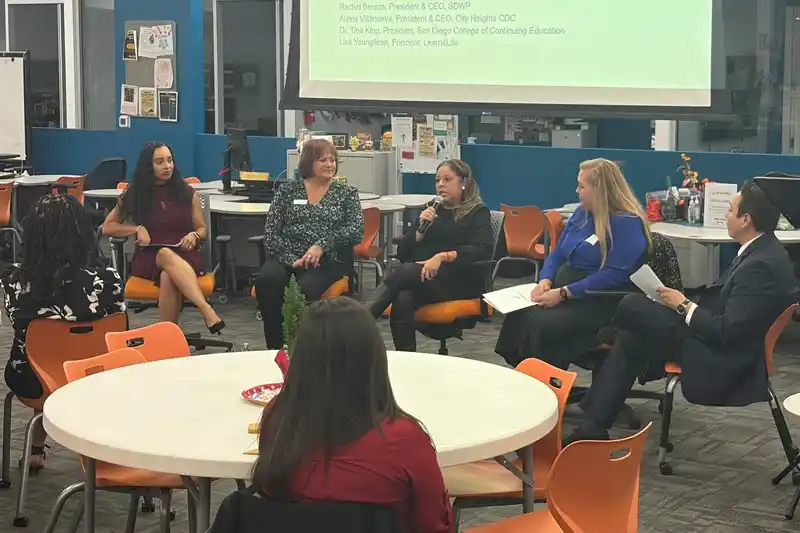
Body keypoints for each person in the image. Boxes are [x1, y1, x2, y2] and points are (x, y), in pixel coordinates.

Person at [568, 180, 799, 443]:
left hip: (723, 355)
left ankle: (609, 337)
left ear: (746, 219)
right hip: (713, 336)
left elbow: (725, 331)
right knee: (631, 337)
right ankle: (593, 429)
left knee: (631, 305)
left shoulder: (760, 265)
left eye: (730, 210)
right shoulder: (763, 251)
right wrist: (680, 303)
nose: (725, 215)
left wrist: (683, 305)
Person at [209, 298, 453, 533]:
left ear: (302, 358)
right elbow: (434, 526)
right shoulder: (404, 441)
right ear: (374, 359)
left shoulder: (278, 418)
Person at [2, 194, 126, 471]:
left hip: (33, 380)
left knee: (47, 358)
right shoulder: (108, 278)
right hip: (95, 376)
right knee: (66, 356)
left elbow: (20, 326)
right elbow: (118, 327)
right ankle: (105, 450)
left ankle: (34, 450)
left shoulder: (14, 281)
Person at [494, 158, 650, 369]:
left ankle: (548, 380)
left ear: (600, 190)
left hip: (598, 299)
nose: (577, 191)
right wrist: (545, 280)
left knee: (542, 323)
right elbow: (557, 253)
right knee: (519, 313)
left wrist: (564, 293)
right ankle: (528, 374)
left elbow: (614, 275)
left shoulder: (627, 223)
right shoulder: (581, 214)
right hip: (564, 291)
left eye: (581, 186)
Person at [366, 159, 493, 351]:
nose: (440, 184)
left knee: (404, 272)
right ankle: (407, 358)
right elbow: (403, 251)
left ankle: (361, 319)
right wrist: (419, 231)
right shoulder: (433, 208)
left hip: (457, 280)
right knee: (403, 298)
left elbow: (482, 249)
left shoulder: (478, 212)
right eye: (437, 180)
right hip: (424, 278)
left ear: (464, 183)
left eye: (447, 179)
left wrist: (442, 257)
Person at [102, 142, 224, 333]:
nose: (167, 166)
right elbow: (107, 227)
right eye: (160, 162)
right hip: (149, 256)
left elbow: (202, 229)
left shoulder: (186, 192)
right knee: (165, 254)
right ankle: (206, 309)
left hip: (184, 255)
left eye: (169, 160)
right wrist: (136, 229)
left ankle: (168, 338)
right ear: (148, 166)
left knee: (168, 275)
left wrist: (194, 235)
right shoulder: (136, 193)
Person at [253, 138, 363, 349]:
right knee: (267, 281)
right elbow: (271, 232)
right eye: (323, 160)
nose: (330, 164)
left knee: (303, 291)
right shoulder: (287, 192)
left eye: (332, 160)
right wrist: (290, 259)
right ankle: (276, 348)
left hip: (327, 260)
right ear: (308, 163)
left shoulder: (346, 193)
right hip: (288, 256)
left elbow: (355, 230)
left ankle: (304, 349)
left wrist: (322, 245)